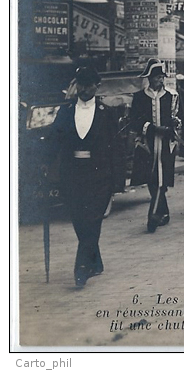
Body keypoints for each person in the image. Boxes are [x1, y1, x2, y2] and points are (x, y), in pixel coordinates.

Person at [46, 66, 123, 287]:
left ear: (97, 87)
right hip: (72, 175)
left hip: (100, 176)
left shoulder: (107, 113)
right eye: (81, 83)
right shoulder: (66, 112)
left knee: (92, 220)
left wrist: (117, 181)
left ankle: (82, 268)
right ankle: (95, 261)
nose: (84, 88)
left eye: (89, 84)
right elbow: (54, 141)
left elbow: (116, 148)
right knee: (80, 220)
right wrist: (43, 166)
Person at [130, 59, 180, 233]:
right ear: (149, 78)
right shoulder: (139, 97)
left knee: (162, 180)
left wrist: (174, 125)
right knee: (152, 180)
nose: (160, 79)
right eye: (157, 76)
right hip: (147, 143)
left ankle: (154, 215)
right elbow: (134, 121)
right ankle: (162, 211)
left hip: (166, 144)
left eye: (161, 76)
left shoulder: (172, 96)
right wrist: (152, 128)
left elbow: (177, 118)